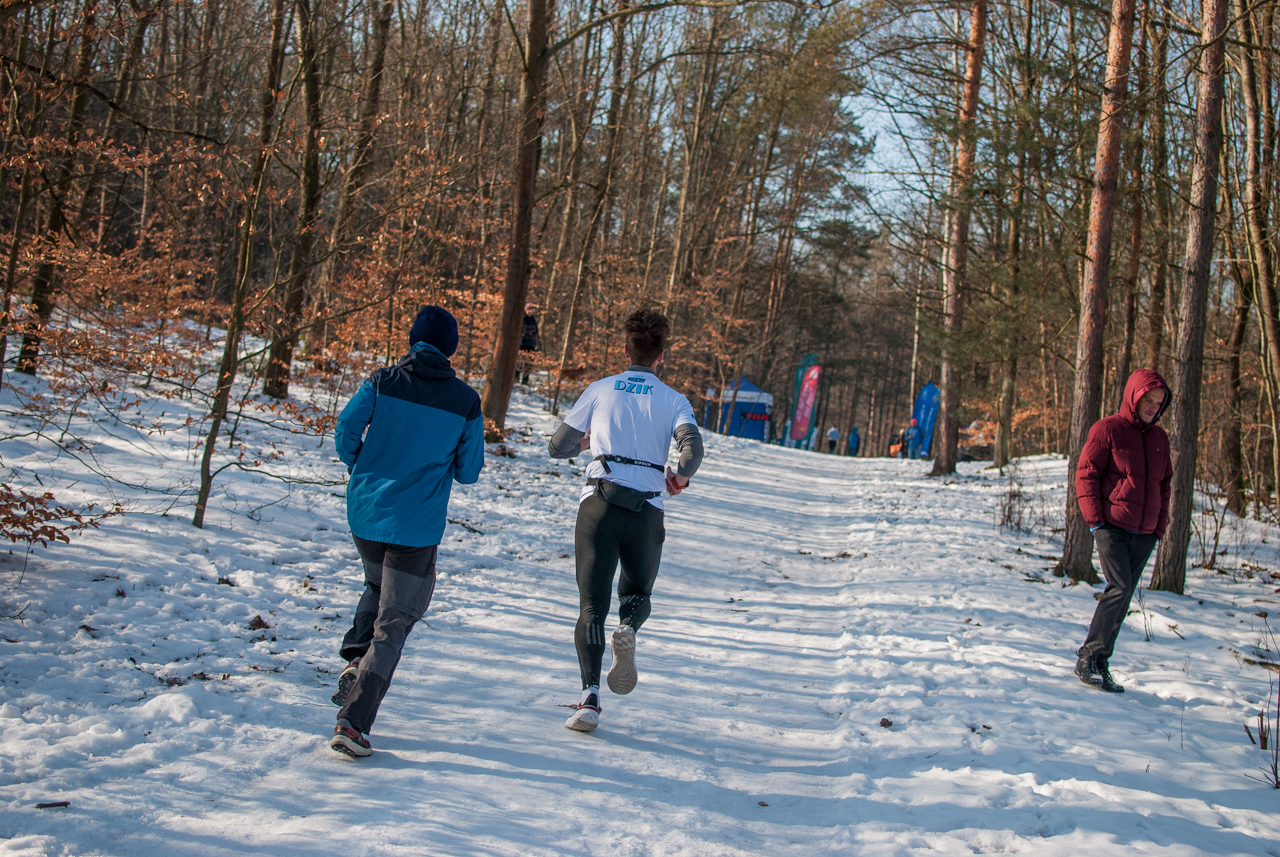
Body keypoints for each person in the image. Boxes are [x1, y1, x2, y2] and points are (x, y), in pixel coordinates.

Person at [327, 305, 484, 757]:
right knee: (394, 624)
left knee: (377, 584)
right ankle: (353, 724)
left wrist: (361, 465)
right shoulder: (465, 401)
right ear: (451, 348)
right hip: (415, 527)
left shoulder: (381, 381)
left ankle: (356, 659)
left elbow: (345, 430)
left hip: (366, 512)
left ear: (412, 338)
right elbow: (469, 471)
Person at [548, 308, 704, 732]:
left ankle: (589, 698)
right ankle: (629, 627)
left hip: (598, 506)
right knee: (637, 594)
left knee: (590, 608)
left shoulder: (599, 389)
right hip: (647, 511)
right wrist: (679, 475)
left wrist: (584, 443)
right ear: (662, 355)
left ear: (625, 349)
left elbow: (557, 446)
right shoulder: (674, 399)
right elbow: (692, 450)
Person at [1073, 368, 1171, 693]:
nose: (1153, 407)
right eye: (1148, 400)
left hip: (1145, 531)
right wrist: (1096, 521)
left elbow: (1165, 484)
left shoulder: (1160, 439)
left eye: (1159, 402)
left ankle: (1101, 662)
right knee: (1119, 586)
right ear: (1134, 396)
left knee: (1124, 594)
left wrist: (1159, 526)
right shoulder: (1108, 429)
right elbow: (1086, 474)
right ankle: (1087, 657)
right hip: (1112, 525)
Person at [518, 302, 541, 385]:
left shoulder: (533, 321)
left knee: (528, 364)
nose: (530, 312)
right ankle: (516, 379)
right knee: (520, 362)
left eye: (532, 310)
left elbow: (536, 333)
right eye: (529, 310)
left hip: (531, 345)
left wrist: (538, 346)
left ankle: (525, 380)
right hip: (522, 344)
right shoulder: (522, 319)